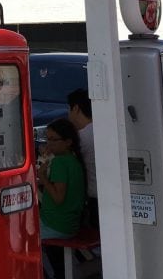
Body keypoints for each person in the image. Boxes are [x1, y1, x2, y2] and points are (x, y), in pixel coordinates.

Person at [38, 117, 86, 279]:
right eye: (48, 139)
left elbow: (58, 197)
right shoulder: (73, 161)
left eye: (53, 140)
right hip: (69, 224)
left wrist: (43, 178)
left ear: (67, 142)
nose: (49, 144)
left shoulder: (59, 163)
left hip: (56, 226)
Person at [67, 88, 98, 229]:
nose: (68, 115)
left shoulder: (81, 138)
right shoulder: (102, 129)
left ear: (76, 109)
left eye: (69, 109)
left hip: (93, 199)